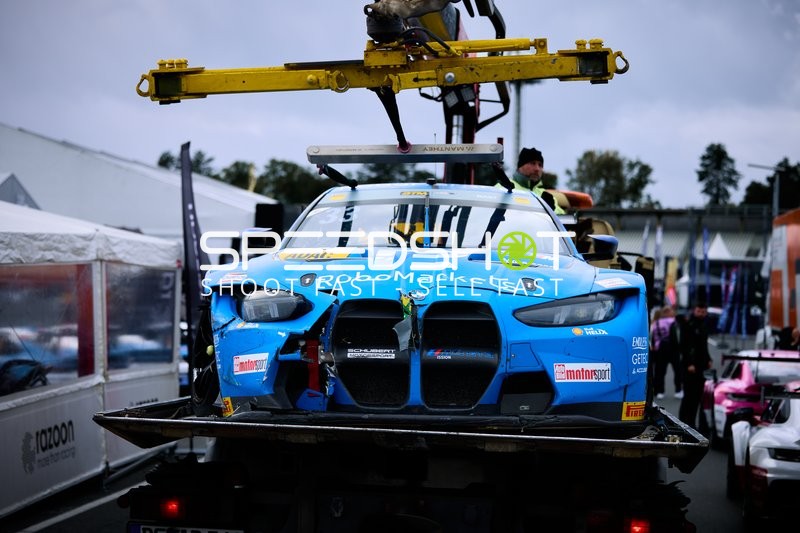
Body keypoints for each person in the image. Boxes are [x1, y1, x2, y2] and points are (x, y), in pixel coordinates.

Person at [678, 301, 712, 429]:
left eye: (703, 312)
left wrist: (708, 358)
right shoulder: (688, 324)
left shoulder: (703, 325)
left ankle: (691, 422)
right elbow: (684, 346)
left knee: (698, 396)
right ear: (694, 310)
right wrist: (689, 363)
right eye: (699, 311)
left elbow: (704, 345)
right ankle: (683, 422)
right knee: (688, 396)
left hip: (701, 365)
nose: (701, 314)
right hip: (690, 367)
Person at [509, 147, 566, 214]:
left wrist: (551, 210)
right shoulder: (504, 188)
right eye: (533, 163)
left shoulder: (545, 194)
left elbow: (562, 218)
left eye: (540, 165)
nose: (537, 169)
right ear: (520, 166)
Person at [651, 305, 682, 400]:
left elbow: (652, 337)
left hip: (659, 349)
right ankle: (678, 390)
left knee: (660, 371)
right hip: (672, 348)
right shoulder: (673, 322)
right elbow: (676, 336)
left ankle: (659, 391)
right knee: (677, 370)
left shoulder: (655, 323)